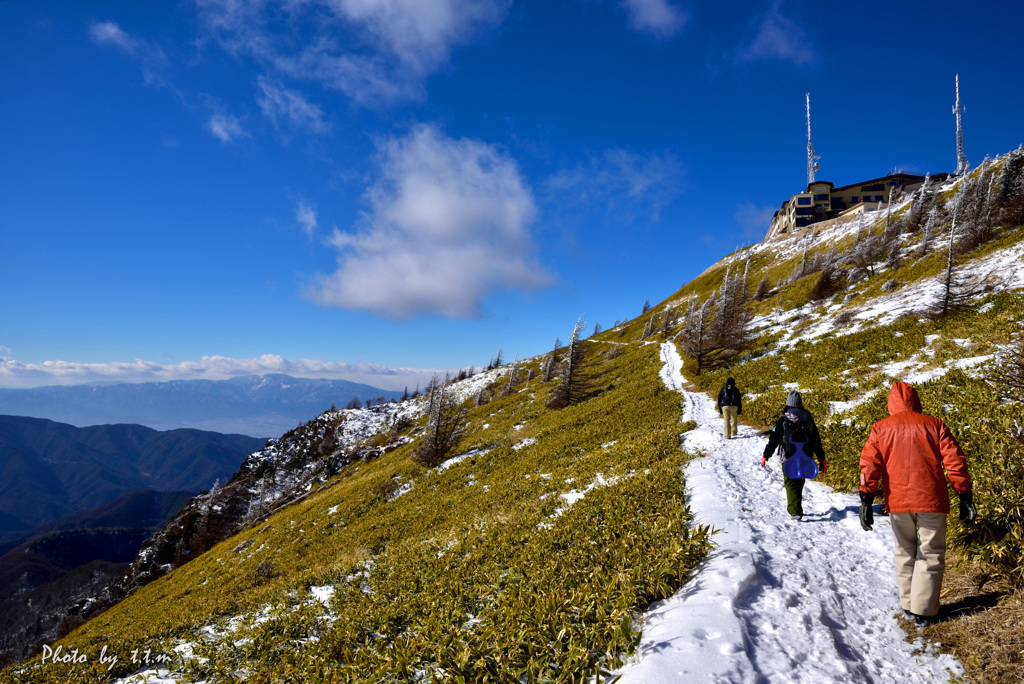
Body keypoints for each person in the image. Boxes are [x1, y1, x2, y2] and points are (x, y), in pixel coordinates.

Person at [859, 381, 976, 626]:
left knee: (904, 551)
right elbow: (954, 461)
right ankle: (924, 611)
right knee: (930, 553)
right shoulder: (935, 424)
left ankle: (909, 605)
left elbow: (870, 465)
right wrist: (964, 494)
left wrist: (866, 498)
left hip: (898, 500)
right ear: (916, 400)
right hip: (931, 499)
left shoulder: (880, 428)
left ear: (890, 403)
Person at [761, 391, 827, 520]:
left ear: (788, 404)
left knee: (790, 481)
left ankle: (795, 510)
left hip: (788, 455)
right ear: (800, 403)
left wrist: (766, 455)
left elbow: (774, 439)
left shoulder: (784, 419)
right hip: (805, 455)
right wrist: (821, 458)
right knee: (799, 480)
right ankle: (796, 506)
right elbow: (815, 440)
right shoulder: (808, 418)